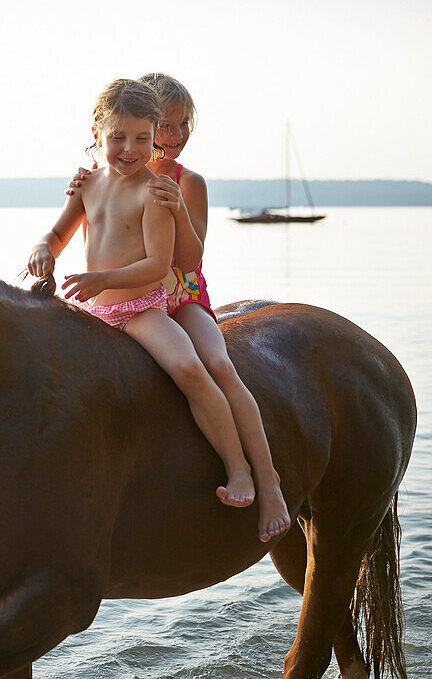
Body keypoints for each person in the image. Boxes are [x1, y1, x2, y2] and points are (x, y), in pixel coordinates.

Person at [65, 73, 290, 542]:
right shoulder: (107, 177)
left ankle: (266, 481)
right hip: (125, 300)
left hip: (181, 295)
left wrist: (180, 211)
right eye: (168, 124)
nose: (177, 135)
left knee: (218, 366)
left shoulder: (190, 182)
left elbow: (189, 263)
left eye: (185, 124)